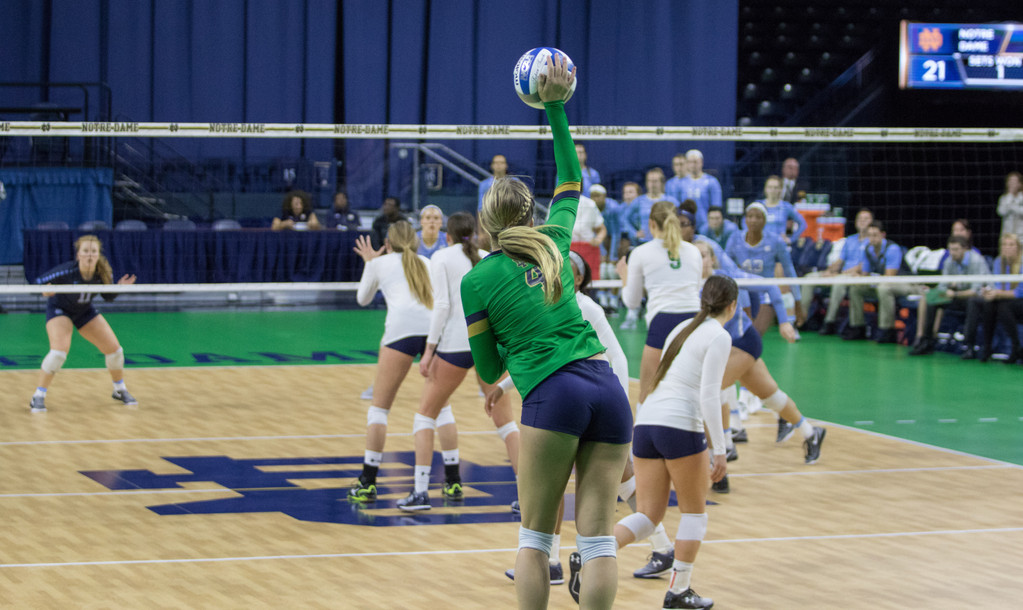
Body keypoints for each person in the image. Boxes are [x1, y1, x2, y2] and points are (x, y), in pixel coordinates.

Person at [461, 55, 631, 609]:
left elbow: (488, 372)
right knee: (599, 538)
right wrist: (556, 106)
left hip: (553, 396)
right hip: (606, 387)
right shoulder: (556, 237)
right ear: (530, 215)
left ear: (485, 223)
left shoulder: (478, 279)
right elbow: (571, 178)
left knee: (536, 540)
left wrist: (511, 342)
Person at [611, 275, 737, 610]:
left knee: (649, 515)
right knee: (695, 514)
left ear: (702, 301)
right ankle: (679, 590)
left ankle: (594, 552)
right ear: (732, 306)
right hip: (679, 425)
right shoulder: (718, 335)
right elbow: (709, 396)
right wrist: (720, 450)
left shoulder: (679, 330)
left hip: (648, 423)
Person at [395, 212, 520, 511]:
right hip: (487, 345)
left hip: (454, 344)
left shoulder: (441, 257)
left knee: (425, 416)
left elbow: (442, 306)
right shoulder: (490, 256)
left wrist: (429, 350)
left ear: (447, 235)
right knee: (507, 424)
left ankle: (421, 493)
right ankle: (527, 493)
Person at [697, 241, 825, 474]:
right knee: (770, 395)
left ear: (712, 259)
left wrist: (784, 321)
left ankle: (725, 445)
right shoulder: (688, 285)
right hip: (723, 347)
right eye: (695, 256)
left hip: (742, 342)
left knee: (710, 391)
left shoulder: (726, 278)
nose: (700, 260)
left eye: (704, 255)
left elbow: (771, 287)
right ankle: (810, 432)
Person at [348, 220, 433, 502]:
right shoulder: (426, 262)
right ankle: (451, 478)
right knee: (437, 409)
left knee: (379, 410)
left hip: (400, 333)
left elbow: (362, 299)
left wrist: (370, 262)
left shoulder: (379, 263)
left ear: (388, 241)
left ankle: (368, 482)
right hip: (432, 334)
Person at [29, 234, 138, 413]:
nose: (89, 255)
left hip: (84, 312)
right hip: (60, 310)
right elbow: (38, 282)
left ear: (97, 255)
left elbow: (107, 297)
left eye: (93, 251)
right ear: (78, 254)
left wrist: (119, 287)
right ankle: (38, 396)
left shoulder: (102, 272)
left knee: (115, 351)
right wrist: (45, 291)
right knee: (58, 353)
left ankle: (119, 390)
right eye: (85, 251)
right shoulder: (66, 271)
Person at [618, 200, 702, 403]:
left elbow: (632, 302)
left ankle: (646, 434)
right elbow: (695, 289)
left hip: (663, 322)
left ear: (651, 223)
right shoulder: (693, 251)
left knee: (647, 394)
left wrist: (624, 277)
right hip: (696, 322)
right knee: (694, 394)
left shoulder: (641, 252)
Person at [727, 203, 802, 335]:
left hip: (765, 294)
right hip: (741, 293)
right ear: (745, 219)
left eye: (758, 217)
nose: (753, 220)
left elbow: (789, 270)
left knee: (754, 334)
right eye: (750, 216)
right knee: (739, 337)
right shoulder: (735, 239)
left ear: (765, 221)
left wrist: (798, 302)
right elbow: (725, 267)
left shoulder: (775, 241)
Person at [909, 235, 991, 356]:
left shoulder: (976, 261)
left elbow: (976, 291)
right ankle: (927, 341)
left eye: (956, 249)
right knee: (932, 299)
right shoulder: (949, 261)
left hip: (978, 298)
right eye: (951, 249)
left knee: (972, 302)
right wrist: (935, 292)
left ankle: (969, 346)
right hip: (957, 296)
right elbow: (943, 286)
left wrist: (955, 293)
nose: (953, 253)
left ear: (965, 249)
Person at [962, 233, 1023, 362]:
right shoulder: (998, 262)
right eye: (1005, 244)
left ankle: (1016, 347)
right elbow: (996, 284)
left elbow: (1020, 292)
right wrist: (989, 291)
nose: (1007, 247)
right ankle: (985, 347)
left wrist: (997, 293)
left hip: (1018, 300)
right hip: (1004, 298)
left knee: (1001, 306)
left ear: (1018, 247)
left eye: (1011, 244)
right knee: (986, 303)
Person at [811, 208, 873, 336]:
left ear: (871, 222)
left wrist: (841, 274)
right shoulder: (849, 240)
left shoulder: (873, 240)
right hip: (842, 274)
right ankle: (803, 320)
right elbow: (840, 261)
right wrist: (828, 271)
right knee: (809, 279)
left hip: (856, 276)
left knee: (839, 283)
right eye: (860, 219)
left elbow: (864, 265)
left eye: (866, 219)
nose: (862, 222)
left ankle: (829, 322)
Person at [844, 221, 904, 341]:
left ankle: (886, 330)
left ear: (883, 235)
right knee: (856, 288)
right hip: (880, 283)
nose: (872, 238)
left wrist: (870, 278)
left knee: (884, 288)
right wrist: (858, 277)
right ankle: (858, 327)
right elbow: (865, 275)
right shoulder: (868, 249)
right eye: (869, 235)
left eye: (875, 235)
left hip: (904, 284)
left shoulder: (892, 249)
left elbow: (889, 277)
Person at [743, 175, 806, 242]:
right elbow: (744, 221)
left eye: (776, 188)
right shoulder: (757, 205)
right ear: (765, 189)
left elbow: (803, 224)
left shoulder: (786, 207)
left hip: (779, 246)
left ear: (780, 189)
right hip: (760, 245)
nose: (772, 190)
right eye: (770, 187)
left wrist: (791, 239)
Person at [625, 167, 680, 244]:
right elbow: (624, 218)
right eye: (650, 181)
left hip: (665, 241)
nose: (652, 184)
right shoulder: (639, 201)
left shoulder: (670, 201)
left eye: (655, 181)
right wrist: (634, 233)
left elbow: (680, 218)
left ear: (661, 183)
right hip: (644, 242)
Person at [676, 149, 723, 230]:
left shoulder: (712, 182)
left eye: (695, 162)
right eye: (690, 162)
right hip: (686, 226)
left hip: (706, 227)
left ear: (701, 162)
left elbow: (716, 207)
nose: (693, 165)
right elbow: (677, 206)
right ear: (687, 164)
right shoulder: (680, 183)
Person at [570, 193, 607, 282]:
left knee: (590, 283)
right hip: (566, 248)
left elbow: (602, 229)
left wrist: (598, 240)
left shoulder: (590, 204)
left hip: (588, 250)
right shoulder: (556, 202)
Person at [998, 171, 1023, 239]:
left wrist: (1012, 207)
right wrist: (1010, 196)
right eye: (1010, 181)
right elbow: (1001, 212)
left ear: (1019, 184)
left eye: (1014, 181)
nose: (1012, 184)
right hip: (1007, 235)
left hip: (1021, 236)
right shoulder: (1004, 198)